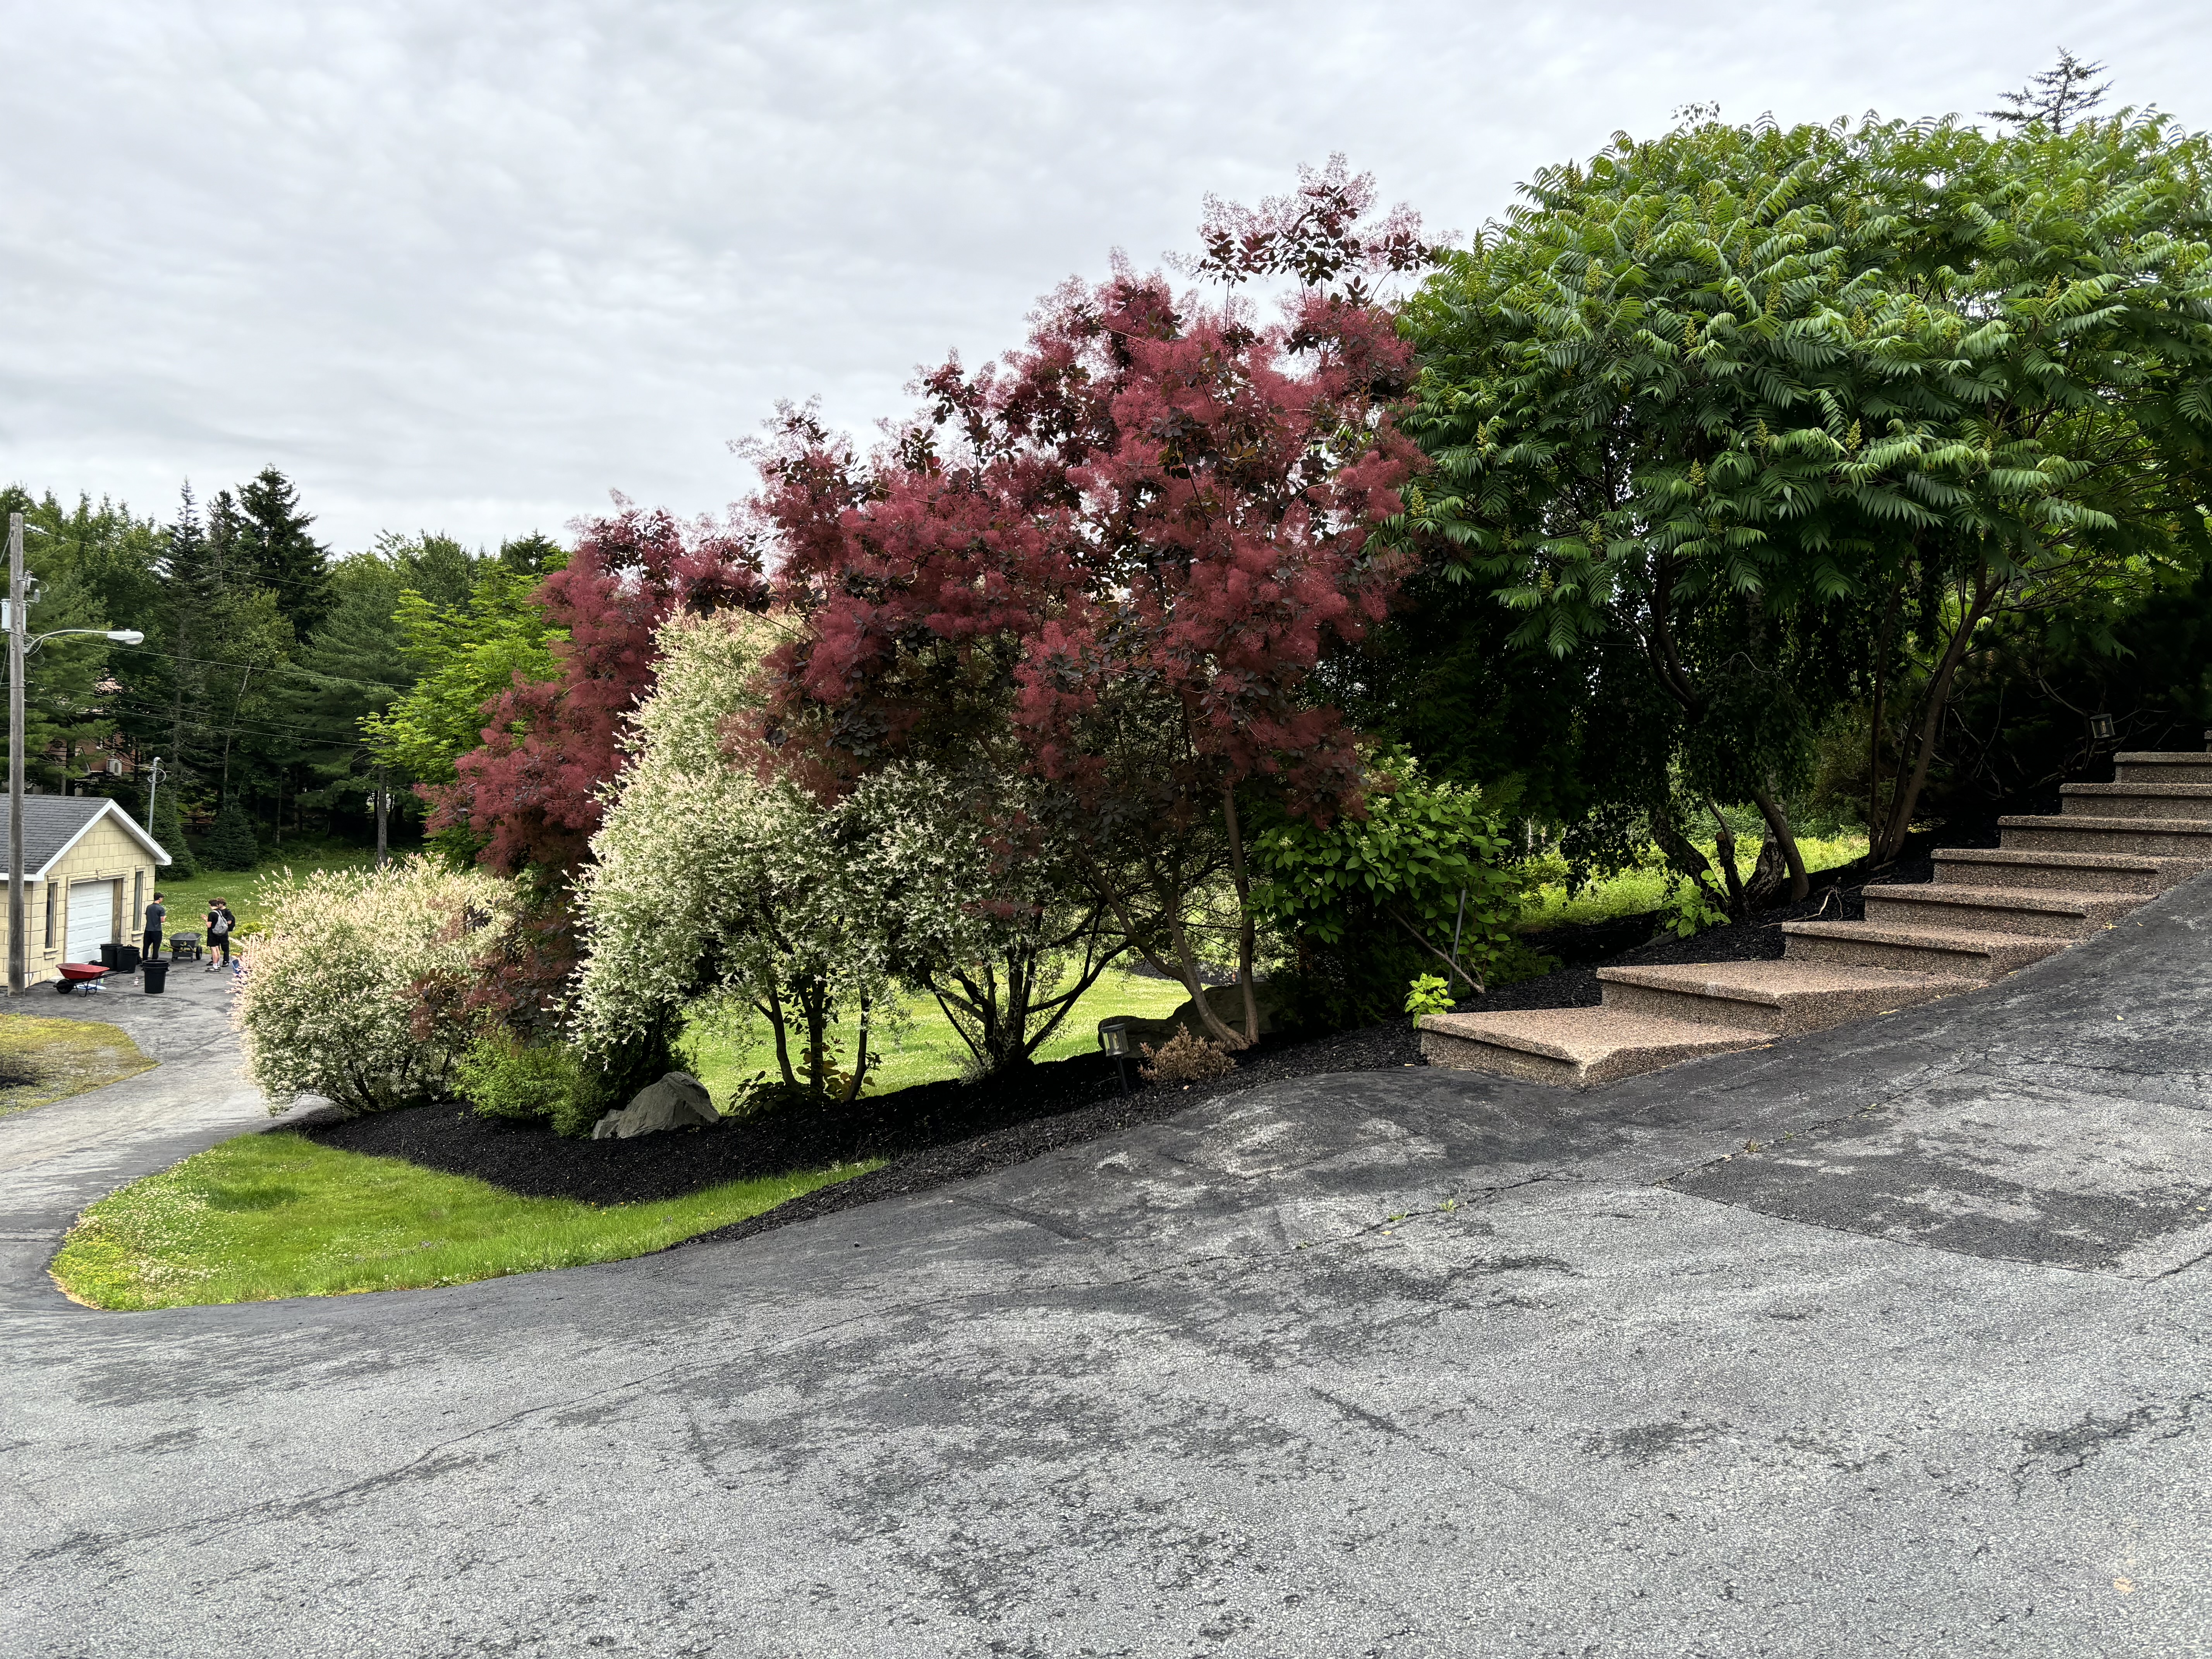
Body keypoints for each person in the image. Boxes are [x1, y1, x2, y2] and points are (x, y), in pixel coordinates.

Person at [204, 899, 235, 972]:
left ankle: (215, 966)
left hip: (212, 934)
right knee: (217, 949)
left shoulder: (212, 914)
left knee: (214, 950)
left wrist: (206, 920)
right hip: (219, 933)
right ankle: (217, 965)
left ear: (210, 905)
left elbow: (209, 925)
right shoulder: (219, 912)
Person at [141, 890, 166, 970]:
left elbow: (147, 916)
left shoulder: (149, 907)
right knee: (156, 947)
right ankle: (154, 962)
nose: (162, 900)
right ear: (160, 899)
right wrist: (165, 917)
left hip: (148, 930)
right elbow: (162, 920)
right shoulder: (161, 909)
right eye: (162, 899)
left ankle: (145, 962)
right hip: (157, 931)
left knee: (146, 946)